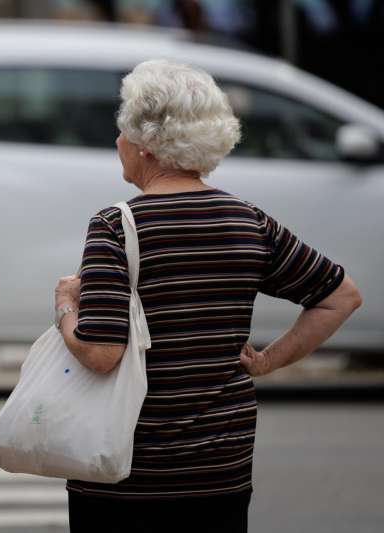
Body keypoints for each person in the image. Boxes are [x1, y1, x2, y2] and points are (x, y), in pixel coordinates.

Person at [54, 59, 362, 533]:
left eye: (122, 131)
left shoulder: (115, 226)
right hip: (221, 468)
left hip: (125, 470)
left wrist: (66, 308)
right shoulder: (248, 221)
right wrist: (267, 362)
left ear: (145, 145)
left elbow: (100, 352)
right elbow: (339, 297)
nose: (118, 142)